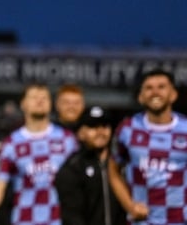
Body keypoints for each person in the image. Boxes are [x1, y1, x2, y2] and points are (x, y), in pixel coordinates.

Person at [0, 83, 78, 225]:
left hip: (59, 220)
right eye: (34, 97)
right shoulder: (11, 144)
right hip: (24, 219)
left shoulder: (67, 140)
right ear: (23, 104)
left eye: (44, 98)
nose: (39, 101)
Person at [108, 69, 187, 225]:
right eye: (149, 88)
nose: (155, 92)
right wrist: (129, 206)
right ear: (141, 97)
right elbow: (113, 171)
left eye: (161, 87)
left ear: (173, 95)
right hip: (142, 222)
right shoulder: (127, 129)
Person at [54, 105, 125, 225]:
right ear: (80, 133)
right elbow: (72, 216)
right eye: (93, 127)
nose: (100, 132)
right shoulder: (73, 168)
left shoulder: (122, 165)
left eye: (104, 126)